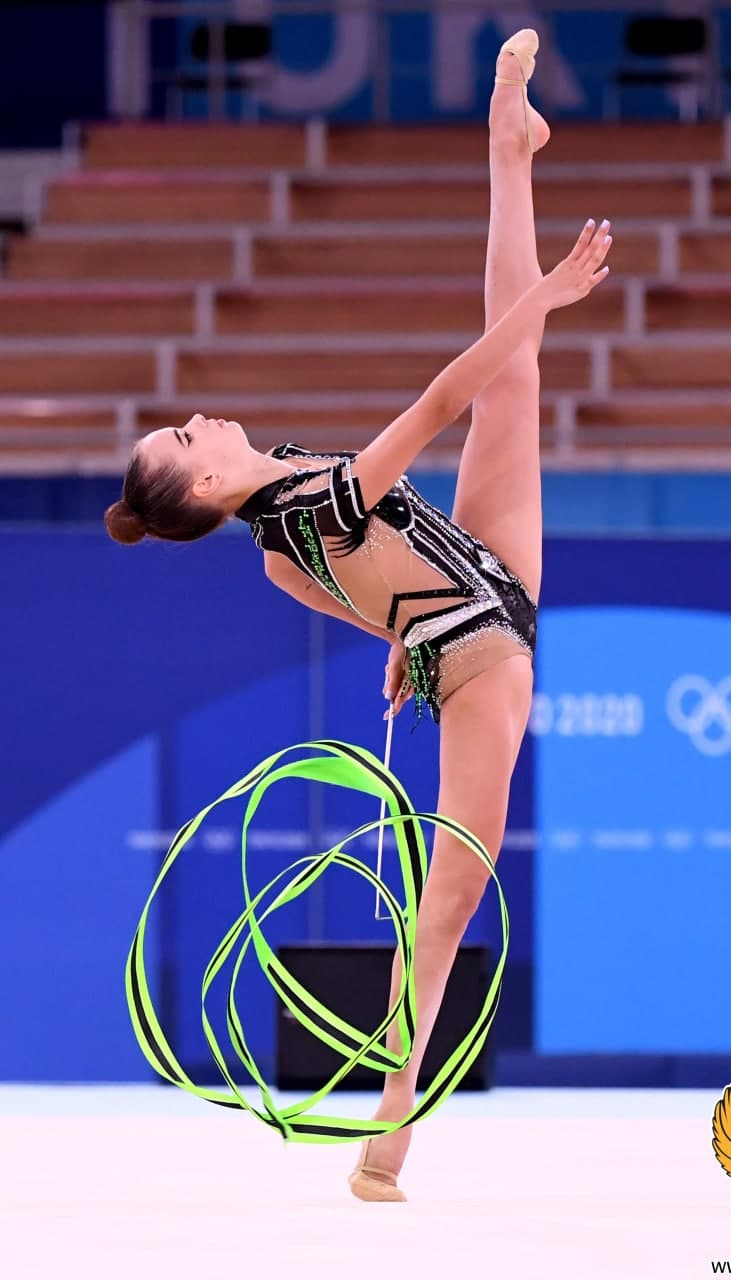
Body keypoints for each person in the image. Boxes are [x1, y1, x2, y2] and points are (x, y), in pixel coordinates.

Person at [105, 28, 611, 1202]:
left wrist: (394, 644)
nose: (196, 418)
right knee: (452, 887)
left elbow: (349, 595)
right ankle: (390, 1124)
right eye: (183, 437)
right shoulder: (307, 503)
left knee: (518, 376)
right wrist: (547, 292)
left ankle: (509, 145)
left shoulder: (274, 533)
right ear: (205, 482)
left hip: (472, 577)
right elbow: (434, 402)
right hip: (481, 644)